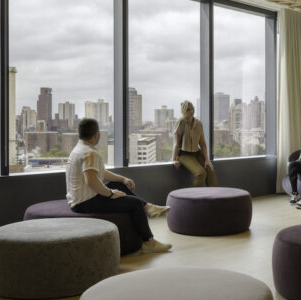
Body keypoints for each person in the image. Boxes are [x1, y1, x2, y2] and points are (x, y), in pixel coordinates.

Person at [66, 118, 171, 253]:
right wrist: (110, 193)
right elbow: (91, 181)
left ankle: (149, 207)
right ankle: (148, 242)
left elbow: (100, 173)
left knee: (117, 184)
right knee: (135, 204)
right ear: (96, 134)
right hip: (86, 203)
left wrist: (122, 179)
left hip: (79, 200)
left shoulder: (79, 149)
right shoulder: (89, 153)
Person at [172, 100, 218, 187]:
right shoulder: (180, 122)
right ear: (184, 111)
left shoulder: (199, 124)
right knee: (201, 173)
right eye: (188, 109)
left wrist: (207, 160)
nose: (191, 111)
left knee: (210, 169)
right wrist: (174, 159)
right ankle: (196, 198)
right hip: (184, 154)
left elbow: (202, 143)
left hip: (197, 153)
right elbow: (176, 143)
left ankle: (214, 196)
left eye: (192, 109)